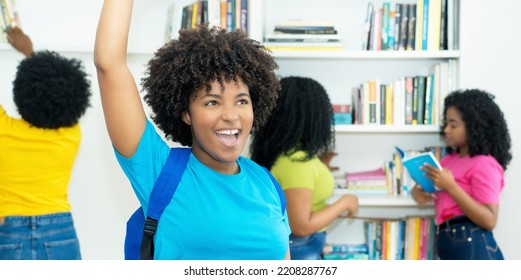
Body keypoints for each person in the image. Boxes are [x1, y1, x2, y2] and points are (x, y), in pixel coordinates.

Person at [94, 0, 290, 260]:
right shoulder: (158, 170)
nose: (231, 116)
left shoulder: (266, 183)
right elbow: (109, 65)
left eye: (242, 101)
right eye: (212, 102)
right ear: (186, 113)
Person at [0, 27, 91, 260]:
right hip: (60, 228)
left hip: (8, 231)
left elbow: (41, 82)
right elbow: (55, 88)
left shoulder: (4, 130)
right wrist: (30, 51)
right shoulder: (70, 135)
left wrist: (27, 52)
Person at [250, 76, 359, 260]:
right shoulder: (297, 162)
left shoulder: (289, 155)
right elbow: (301, 226)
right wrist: (346, 202)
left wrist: (320, 166)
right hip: (301, 247)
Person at [411, 89, 512, 260]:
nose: (446, 130)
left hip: (472, 243)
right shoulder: (448, 160)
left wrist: (451, 187)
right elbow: (429, 188)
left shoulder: (484, 164)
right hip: (447, 239)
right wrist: (417, 192)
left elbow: (489, 220)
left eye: (453, 125)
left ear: (474, 126)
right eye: (446, 124)